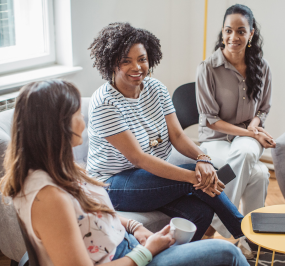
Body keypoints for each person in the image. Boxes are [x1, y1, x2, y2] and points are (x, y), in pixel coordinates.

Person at [0, 80, 249, 266]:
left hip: (131, 245)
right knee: (229, 254)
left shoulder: (57, 168)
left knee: (201, 209)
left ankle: (246, 236)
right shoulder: (47, 197)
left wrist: (134, 227)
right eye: (77, 114)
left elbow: (89, 213)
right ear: (56, 125)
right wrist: (147, 251)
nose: (83, 122)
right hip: (129, 258)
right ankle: (247, 237)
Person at [87, 22, 245, 243]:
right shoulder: (105, 103)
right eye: (126, 61)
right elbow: (138, 158)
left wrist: (203, 158)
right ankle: (247, 236)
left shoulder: (156, 89)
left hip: (149, 179)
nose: (137, 67)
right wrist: (195, 176)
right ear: (112, 62)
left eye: (142, 59)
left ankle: (180, 258)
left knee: (201, 212)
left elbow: (178, 136)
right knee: (199, 178)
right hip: (112, 185)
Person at [196, 4, 276, 257]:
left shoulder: (262, 67)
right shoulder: (207, 68)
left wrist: (255, 123)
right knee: (261, 173)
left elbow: (263, 109)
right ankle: (248, 239)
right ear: (222, 32)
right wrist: (253, 134)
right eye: (228, 30)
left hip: (246, 137)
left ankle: (213, 222)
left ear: (251, 34)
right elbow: (211, 121)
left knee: (244, 155)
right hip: (215, 138)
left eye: (241, 31)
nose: (234, 37)